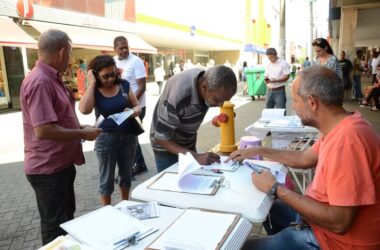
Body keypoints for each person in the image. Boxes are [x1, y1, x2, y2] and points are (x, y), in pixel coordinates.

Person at [228, 65, 380, 250]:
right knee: (267, 206)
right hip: (317, 222)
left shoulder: (347, 142)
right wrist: (260, 152)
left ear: (312, 102)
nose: (293, 107)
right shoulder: (342, 124)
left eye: (296, 100)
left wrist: (275, 188)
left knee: (237, 247)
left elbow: (340, 223)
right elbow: (305, 158)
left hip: (333, 242)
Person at [20, 29, 101, 245]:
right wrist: (81, 133)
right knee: (55, 228)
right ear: (62, 52)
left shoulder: (50, 78)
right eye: (71, 52)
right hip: (48, 170)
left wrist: (79, 126)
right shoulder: (40, 82)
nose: (71, 58)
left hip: (59, 166)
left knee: (64, 222)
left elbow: (56, 119)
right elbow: (43, 130)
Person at [79, 55, 141, 205]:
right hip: (106, 139)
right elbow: (84, 109)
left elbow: (137, 106)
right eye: (105, 76)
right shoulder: (94, 89)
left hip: (128, 137)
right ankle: (107, 212)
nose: (110, 79)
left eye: (113, 74)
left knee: (126, 176)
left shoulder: (124, 85)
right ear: (96, 74)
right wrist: (92, 83)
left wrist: (133, 112)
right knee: (106, 178)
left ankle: (125, 205)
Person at [150, 65, 237, 172]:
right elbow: (161, 138)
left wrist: (193, 155)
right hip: (166, 147)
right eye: (217, 99)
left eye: (224, 101)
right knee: (170, 184)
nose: (220, 105)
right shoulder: (179, 94)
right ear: (204, 86)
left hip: (187, 144)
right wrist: (196, 157)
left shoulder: (207, 82)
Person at [113, 36, 148, 176]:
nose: (124, 50)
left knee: (130, 134)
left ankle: (135, 165)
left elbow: (142, 87)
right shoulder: (113, 61)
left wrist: (130, 104)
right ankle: (139, 163)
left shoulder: (136, 61)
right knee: (130, 134)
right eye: (121, 48)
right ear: (114, 49)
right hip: (122, 106)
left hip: (137, 106)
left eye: (126, 47)